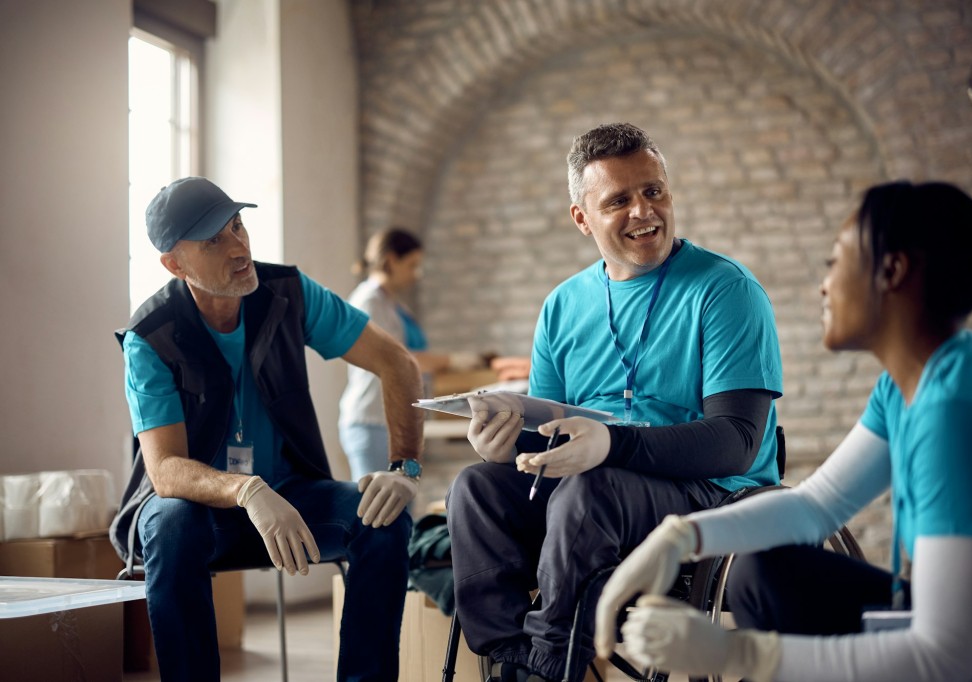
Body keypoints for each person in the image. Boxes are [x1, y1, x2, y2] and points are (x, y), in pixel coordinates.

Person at [595, 174, 972, 682]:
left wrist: (740, 656)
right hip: (962, 645)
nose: (823, 285)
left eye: (835, 263)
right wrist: (681, 537)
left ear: (891, 271)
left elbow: (945, 658)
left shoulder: (959, 412)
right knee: (764, 573)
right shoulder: (915, 382)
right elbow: (816, 504)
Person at [445, 122, 785, 682]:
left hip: (711, 493)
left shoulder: (725, 290)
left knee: (591, 488)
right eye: (619, 200)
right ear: (582, 218)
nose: (643, 211)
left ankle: (552, 667)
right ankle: (511, 659)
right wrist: (507, 444)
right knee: (476, 488)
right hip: (595, 500)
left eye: (653, 191)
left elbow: (737, 443)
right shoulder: (562, 305)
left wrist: (610, 444)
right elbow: (548, 438)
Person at [109, 177, 425, 682]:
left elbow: (396, 362)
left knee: (384, 522)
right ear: (174, 264)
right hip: (199, 515)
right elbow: (165, 471)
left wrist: (403, 466)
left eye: (238, 225)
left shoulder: (289, 293)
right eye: (213, 240)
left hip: (291, 498)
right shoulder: (151, 337)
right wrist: (247, 490)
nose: (239, 247)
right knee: (171, 523)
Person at [339, 226, 489, 480]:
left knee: (401, 502)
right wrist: (454, 360)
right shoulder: (369, 301)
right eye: (412, 265)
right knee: (376, 509)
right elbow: (400, 360)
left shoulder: (394, 304)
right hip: (372, 420)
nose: (416, 274)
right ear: (391, 261)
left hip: (395, 419)